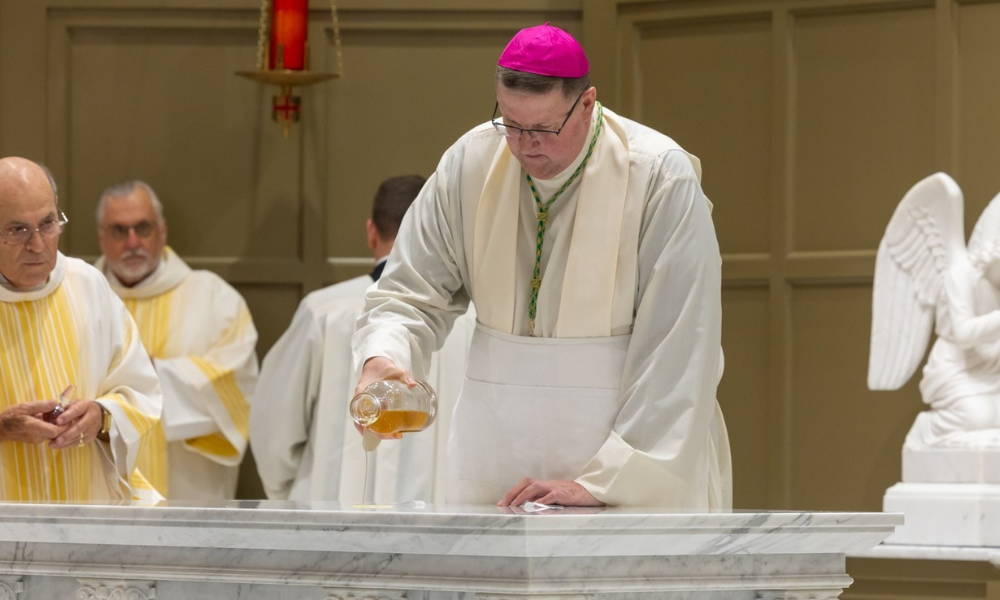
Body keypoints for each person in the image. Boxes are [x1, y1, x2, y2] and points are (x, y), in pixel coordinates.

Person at [352, 24, 731, 508]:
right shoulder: (471, 162)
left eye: (544, 128)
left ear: (587, 103)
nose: (525, 145)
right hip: (498, 455)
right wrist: (384, 357)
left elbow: (680, 342)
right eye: (510, 123)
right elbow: (408, 292)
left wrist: (604, 483)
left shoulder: (657, 174)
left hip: (622, 460)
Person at [251, 175, 476, 503]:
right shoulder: (471, 321)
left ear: (371, 232)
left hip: (328, 513)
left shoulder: (324, 312)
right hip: (439, 517)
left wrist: (292, 499)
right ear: (440, 236)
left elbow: (274, 427)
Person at [0, 157, 162, 502]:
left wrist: (102, 416)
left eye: (48, 223)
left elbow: (140, 390)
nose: (38, 245)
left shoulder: (87, 286)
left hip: (83, 507)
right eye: (17, 230)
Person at [94, 180, 258, 501]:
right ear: (101, 236)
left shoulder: (214, 298)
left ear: (162, 231)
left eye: (143, 228)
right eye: (119, 230)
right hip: (98, 486)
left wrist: (147, 372)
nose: (132, 242)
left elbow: (237, 389)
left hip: (188, 491)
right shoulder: (79, 296)